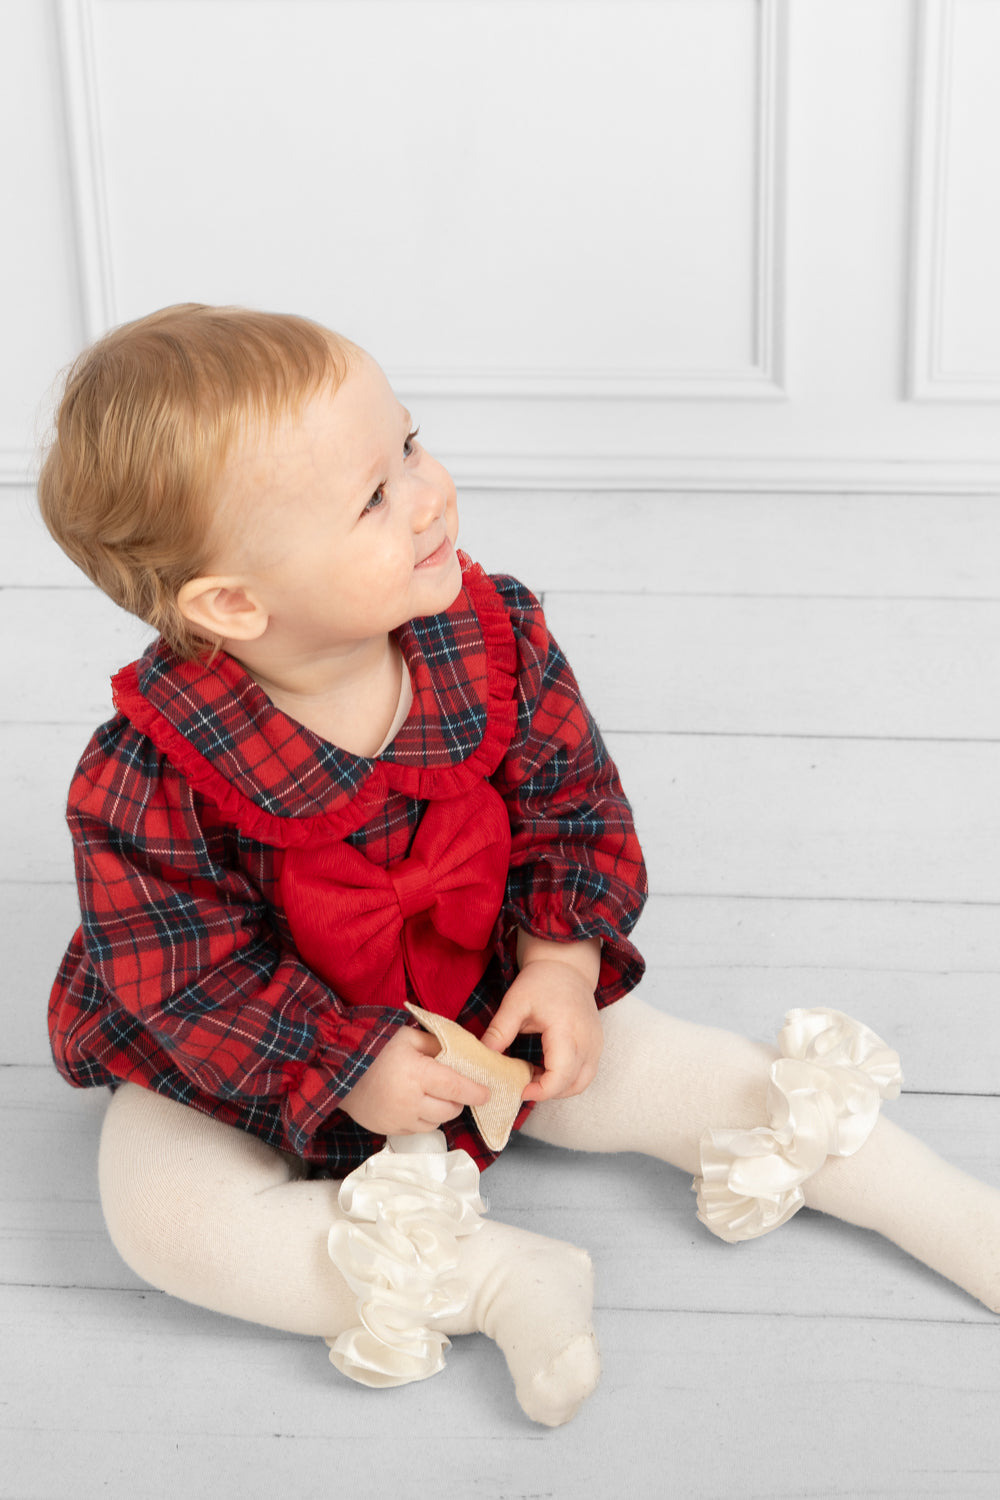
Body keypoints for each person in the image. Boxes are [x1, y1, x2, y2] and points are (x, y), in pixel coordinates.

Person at [38, 305, 999, 1428]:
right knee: (166, 1220)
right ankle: (497, 1281)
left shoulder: (487, 642)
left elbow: (572, 804)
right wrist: (344, 1060)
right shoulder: (149, 776)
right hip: (256, 1055)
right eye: (374, 496)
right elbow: (185, 980)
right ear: (236, 602)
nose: (430, 490)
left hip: (482, 996)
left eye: (407, 444)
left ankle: (938, 1205)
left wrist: (557, 961)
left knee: (669, 1071)